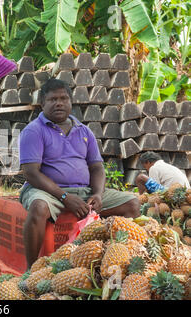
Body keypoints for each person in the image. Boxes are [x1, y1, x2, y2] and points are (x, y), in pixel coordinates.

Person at [18, 78, 140, 269]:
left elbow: (97, 167)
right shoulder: (33, 131)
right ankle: (31, 270)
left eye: (64, 98)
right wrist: (65, 196)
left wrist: (98, 194)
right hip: (47, 192)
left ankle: (116, 261)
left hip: (84, 190)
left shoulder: (84, 131)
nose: (59, 103)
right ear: (42, 103)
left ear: (71, 102)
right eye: (53, 99)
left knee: (132, 203)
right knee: (38, 208)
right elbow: (31, 173)